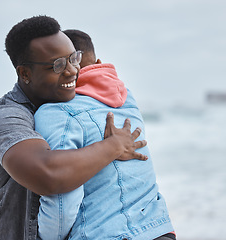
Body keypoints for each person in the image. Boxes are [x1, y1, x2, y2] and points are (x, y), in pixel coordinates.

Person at [0, 16, 148, 240]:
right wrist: (113, 146)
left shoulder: (71, 109)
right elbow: (48, 174)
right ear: (24, 73)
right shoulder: (5, 118)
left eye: (74, 58)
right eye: (58, 65)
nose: (72, 71)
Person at [35, 30, 175, 240]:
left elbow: (62, 202)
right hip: (159, 229)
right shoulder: (127, 97)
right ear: (98, 61)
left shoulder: (57, 112)